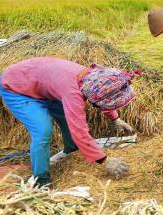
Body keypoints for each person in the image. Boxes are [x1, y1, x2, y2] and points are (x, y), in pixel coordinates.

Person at [0, 57, 140, 186]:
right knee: (43, 131)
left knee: (65, 115)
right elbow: (79, 131)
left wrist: (115, 119)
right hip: (17, 88)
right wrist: (104, 160)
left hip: (42, 81)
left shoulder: (95, 76)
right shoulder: (73, 93)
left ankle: (71, 149)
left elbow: (104, 94)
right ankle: (40, 180)